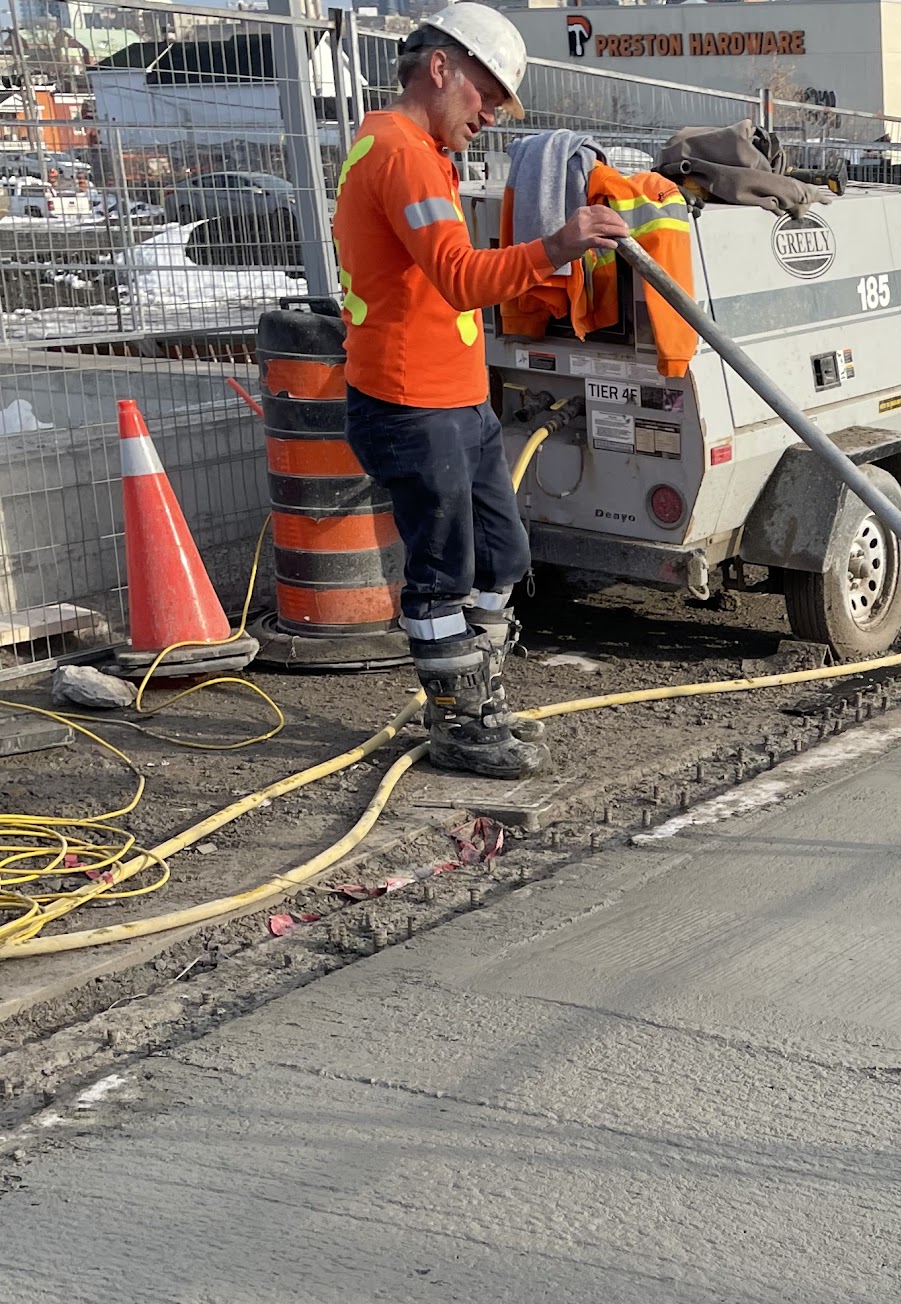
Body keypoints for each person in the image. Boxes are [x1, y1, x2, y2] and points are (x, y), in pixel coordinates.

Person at [333, 3, 628, 778]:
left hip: (454, 398)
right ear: (441, 68)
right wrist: (558, 244)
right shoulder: (399, 154)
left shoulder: (421, 153)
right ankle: (460, 726)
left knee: (501, 556)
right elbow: (461, 279)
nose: (491, 114)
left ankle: (482, 702)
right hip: (410, 402)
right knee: (442, 574)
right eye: (486, 93)